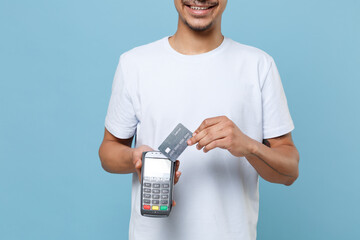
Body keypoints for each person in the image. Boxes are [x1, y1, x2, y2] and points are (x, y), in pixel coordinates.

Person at [99, 0, 300, 239]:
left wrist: (250, 147)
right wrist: (135, 158)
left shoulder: (259, 66)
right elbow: (108, 151)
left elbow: (290, 172)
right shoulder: (134, 64)